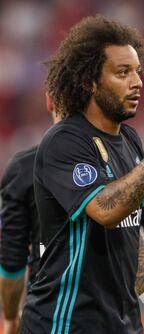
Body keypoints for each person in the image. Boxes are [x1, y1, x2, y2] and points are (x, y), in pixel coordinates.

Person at [19, 15, 144, 334]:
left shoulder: (129, 139)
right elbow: (107, 210)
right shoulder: (65, 141)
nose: (137, 82)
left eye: (136, 71)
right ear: (90, 81)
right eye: (122, 73)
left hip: (122, 324)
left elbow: (130, 233)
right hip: (66, 322)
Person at [0, 95, 62, 334]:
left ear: (49, 101)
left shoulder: (25, 166)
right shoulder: (125, 158)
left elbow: (12, 260)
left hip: (47, 316)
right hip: (117, 318)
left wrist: (11, 319)